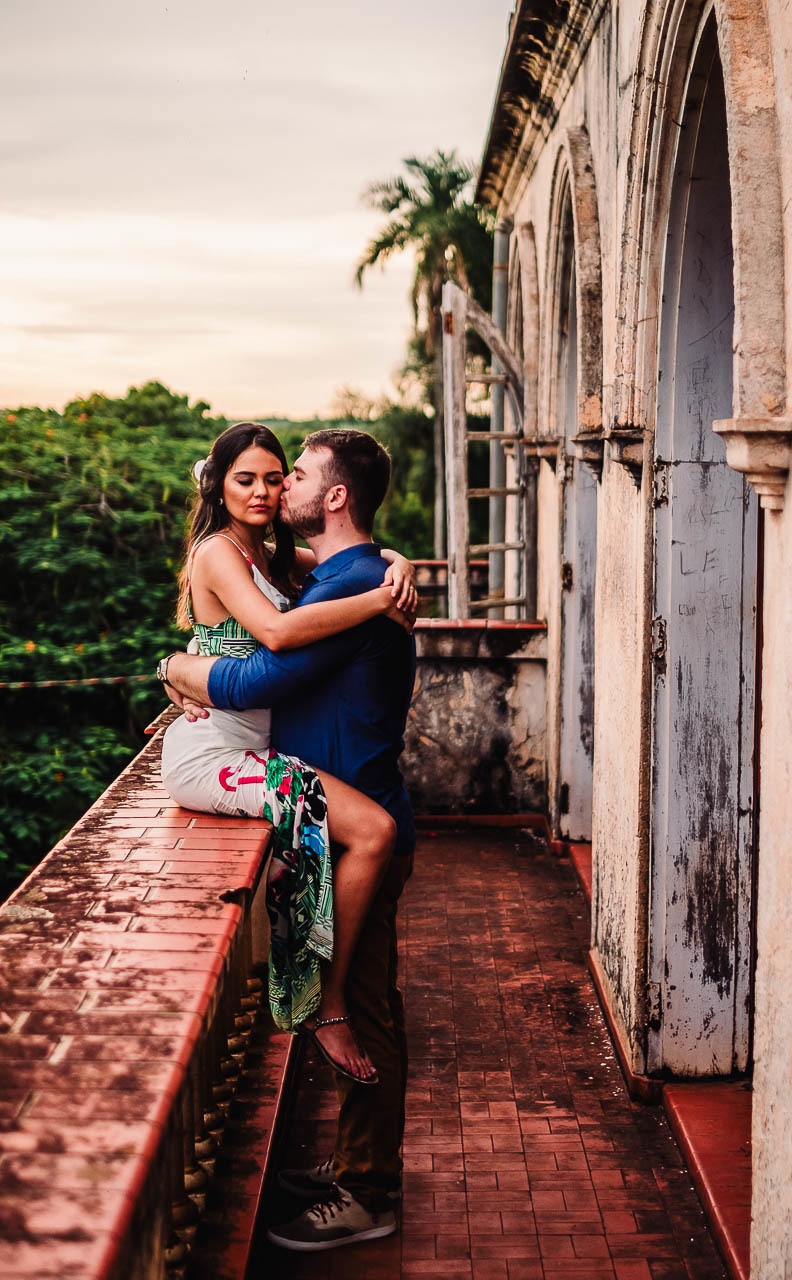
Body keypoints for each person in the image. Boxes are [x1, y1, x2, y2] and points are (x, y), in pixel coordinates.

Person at [161, 427, 416, 1252]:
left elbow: (262, 668)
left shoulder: (337, 577)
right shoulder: (313, 571)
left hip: (356, 814)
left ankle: (367, 1192)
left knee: (368, 1008)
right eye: (255, 478)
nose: (274, 490)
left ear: (332, 497)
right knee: (362, 997)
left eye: (289, 476)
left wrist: (181, 669)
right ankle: (352, 1169)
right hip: (300, 792)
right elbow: (266, 643)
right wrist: (176, 666)